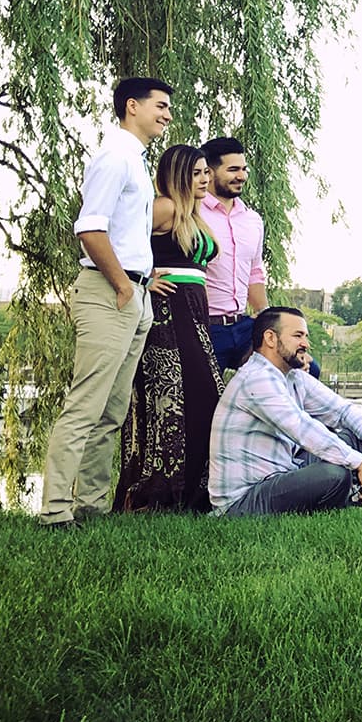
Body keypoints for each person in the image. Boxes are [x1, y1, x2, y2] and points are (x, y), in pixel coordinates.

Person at [38, 78, 172, 529]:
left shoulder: (134, 159)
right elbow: (90, 228)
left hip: (133, 293)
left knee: (112, 410)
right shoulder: (114, 156)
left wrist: (140, 279)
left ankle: (91, 506)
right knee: (85, 404)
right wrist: (121, 286)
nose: (168, 115)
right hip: (108, 292)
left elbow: (126, 233)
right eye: (161, 106)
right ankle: (55, 510)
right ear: (131, 107)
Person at [208, 307, 362, 515]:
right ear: (270, 338)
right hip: (244, 500)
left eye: (306, 336)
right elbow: (303, 429)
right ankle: (358, 499)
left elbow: (342, 411)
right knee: (334, 474)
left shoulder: (292, 376)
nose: (306, 344)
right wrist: (360, 463)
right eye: (298, 336)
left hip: (281, 476)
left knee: (358, 439)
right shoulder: (256, 378)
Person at [113, 144, 227, 512]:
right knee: (172, 399)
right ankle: (160, 491)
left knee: (203, 395)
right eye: (196, 173)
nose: (205, 179)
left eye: (206, 172)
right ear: (178, 175)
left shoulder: (193, 215)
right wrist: (143, 278)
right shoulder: (165, 206)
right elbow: (116, 238)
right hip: (169, 310)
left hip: (195, 311)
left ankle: (196, 491)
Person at [198, 137, 267, 372]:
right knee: (204, 402)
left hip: (243, 326)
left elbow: (255, 273)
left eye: (244, 169)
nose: (242, 176)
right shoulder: (188, 212)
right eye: (233, 169)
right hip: (205, 325)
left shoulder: (253, 220)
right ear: (209, 172)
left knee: (298, 367)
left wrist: (264, 317)